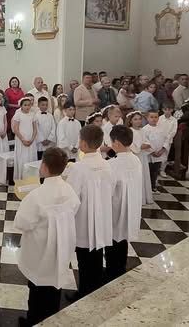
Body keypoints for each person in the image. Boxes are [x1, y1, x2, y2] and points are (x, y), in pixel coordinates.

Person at [14, 147, 80, 326]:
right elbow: (74, 207)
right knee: (53, 287)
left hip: (40, 250)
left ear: (43, 166)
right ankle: (51, 319)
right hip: (60, 247)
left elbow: (22, 223)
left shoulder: (36, 195)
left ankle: (33, 320)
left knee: (36, 289)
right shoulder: (68, 189)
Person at [64, 124, 113, 296]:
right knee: (97, 253)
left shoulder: (79, 168)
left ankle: (84, 292)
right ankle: (96, 286)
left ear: (83, 144)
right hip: (102, 217)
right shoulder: (107, 165)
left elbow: (71, 196)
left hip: (84, 220)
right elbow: (111, 189)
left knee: (84, 258)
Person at [106, 126, 143, 279]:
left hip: (116, 208)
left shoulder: (113, 164)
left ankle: (112, 274)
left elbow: (108, 189)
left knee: (113, 241)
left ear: (116, 143)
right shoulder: (136, 160)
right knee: (122, 240)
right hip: (131, 205)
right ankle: (120, 269)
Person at [126, 111, 155, 205]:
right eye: (135, 119)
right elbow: (130, 145)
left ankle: (144, 197)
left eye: (139, 119)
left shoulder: (143, 131)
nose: (138, 121)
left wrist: (146, 145)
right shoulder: (129, 131)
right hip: (134, 157)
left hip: (142, 157)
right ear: (130, 121)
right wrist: (139, 147)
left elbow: (147, 142)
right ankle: (136, 199)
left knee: (143, 175)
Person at [12, 98, 38, 181]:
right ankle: (21, 177)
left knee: (30, 157)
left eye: (29, 105)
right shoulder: (18, 115)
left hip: (31, 140)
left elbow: (35, 129)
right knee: (22, 158)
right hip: (21, 140)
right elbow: (16, 129)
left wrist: (32, 139)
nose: (27, 107)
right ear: (21, 106)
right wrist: (22, 139)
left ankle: (31, 178)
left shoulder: (33, 114)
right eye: (25, 105)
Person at [144, 111, 170, 183]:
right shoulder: (145, 129)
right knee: (149, 172)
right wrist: (152, 152)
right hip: (149, 155)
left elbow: (167, 139)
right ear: (147, 118)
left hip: (159, 154)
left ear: (158, 118)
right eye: (151, 117)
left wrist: (162, 150)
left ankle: (154, 185)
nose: (154, 119)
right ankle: (149, 186)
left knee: (156, 171)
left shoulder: (162, 128)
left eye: (156, 117)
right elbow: (145, 141)